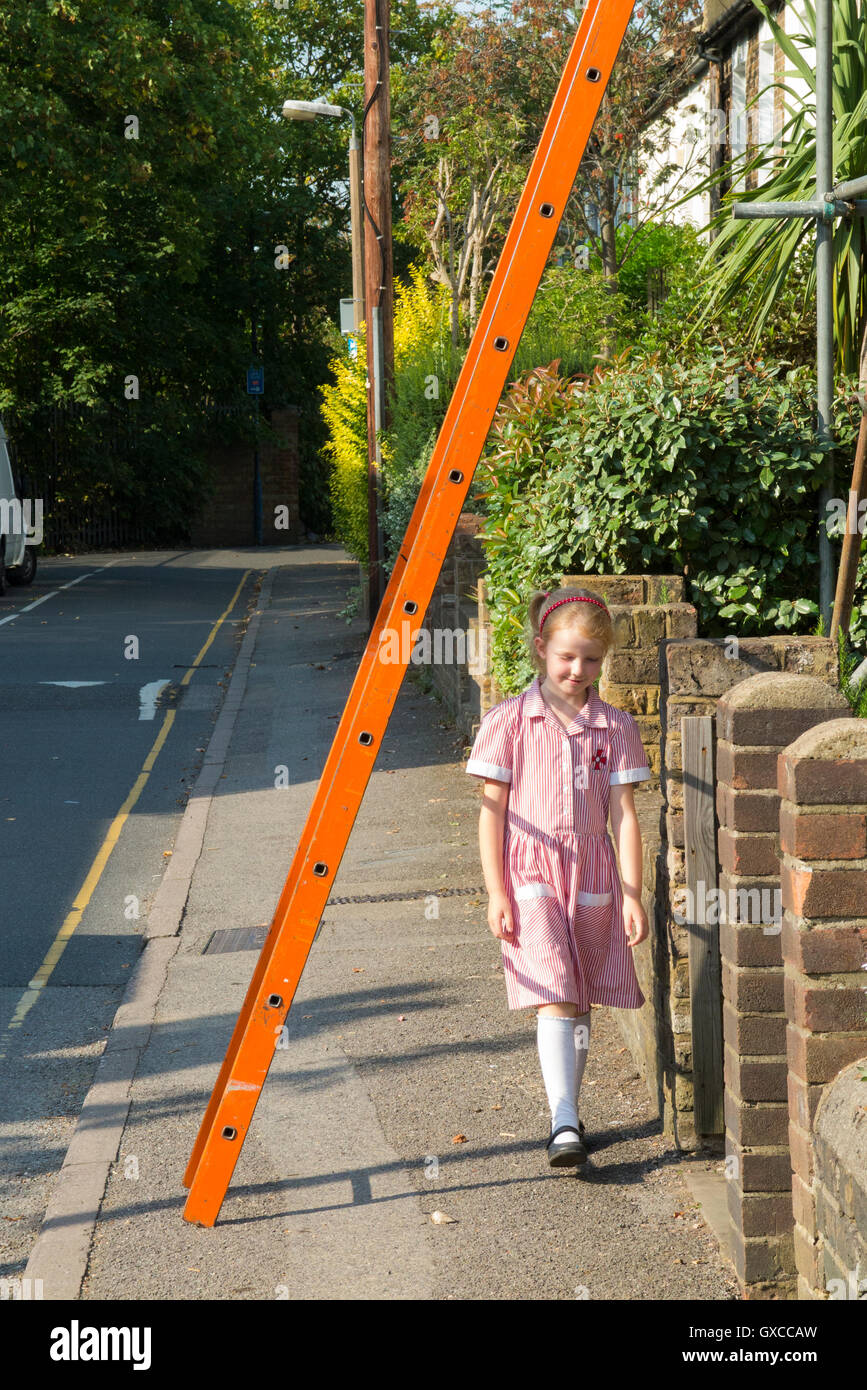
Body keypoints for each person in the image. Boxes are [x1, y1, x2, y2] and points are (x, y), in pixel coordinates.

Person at [465, 585, 651, 1168]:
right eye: (567, 655)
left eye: (592, 659)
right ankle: (563, 1119)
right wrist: (496, 891)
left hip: (594, 869)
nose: (579, 669)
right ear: (541, 648)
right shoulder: (509, 721)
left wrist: (632, 892)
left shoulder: (615, 727)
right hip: (531, 870)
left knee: (581, 992)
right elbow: (491, 811)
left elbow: (623, 814)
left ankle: (569, 1111)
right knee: (553, 988)